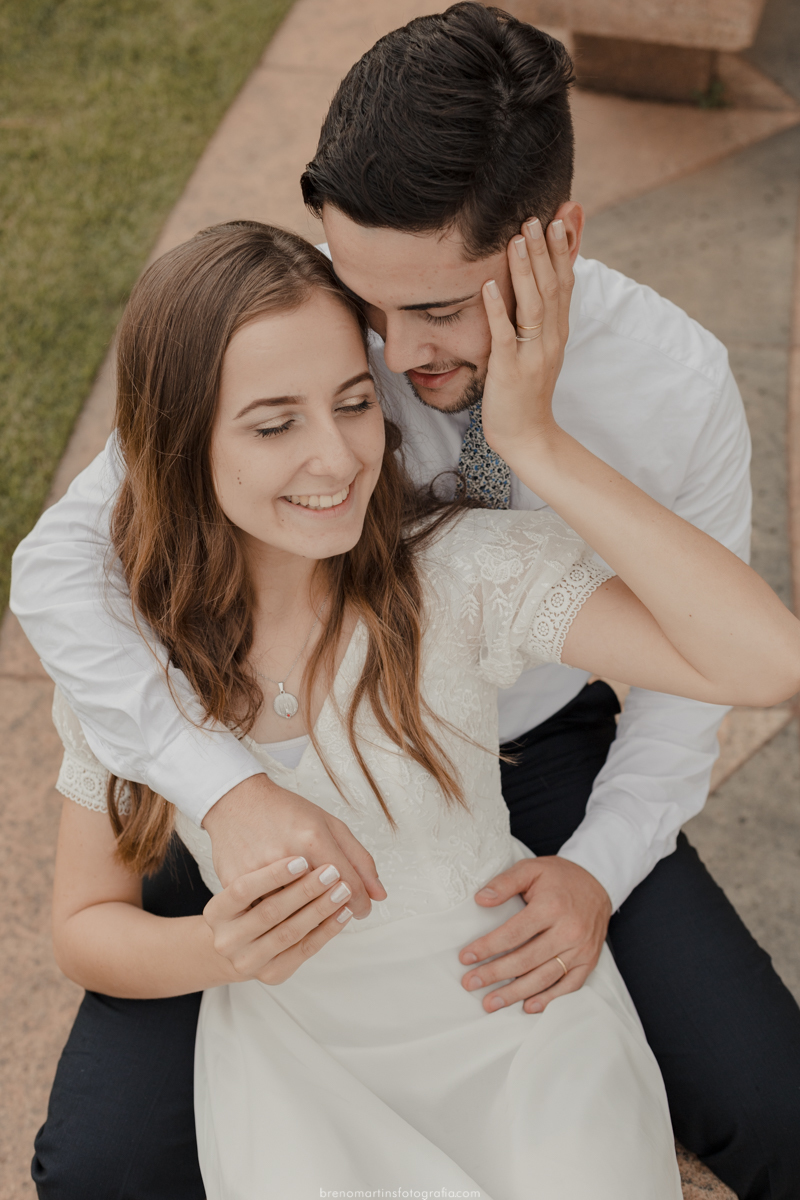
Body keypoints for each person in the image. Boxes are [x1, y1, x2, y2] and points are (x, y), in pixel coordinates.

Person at [12, 5, 800, 1199]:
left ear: (558, 240)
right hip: (244, 750)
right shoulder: (296, 334)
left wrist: (594, 866)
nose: (387, 353)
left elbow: (720, 680)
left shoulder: (670, 392)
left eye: (438, 309)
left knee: (773, 1103)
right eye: (362, 297)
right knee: (100, 1168)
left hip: (530, 744)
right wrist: (225, 787)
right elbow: (61, 567)